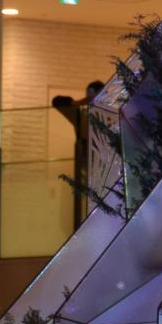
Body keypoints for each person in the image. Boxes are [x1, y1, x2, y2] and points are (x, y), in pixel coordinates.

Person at [52, 79, 106, 224]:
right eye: (90, 97)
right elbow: (57, 101)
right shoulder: (82, 116)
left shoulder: (112, 115)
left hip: (106, 170)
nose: (92, 101)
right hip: (90, 172)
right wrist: (81, 102)